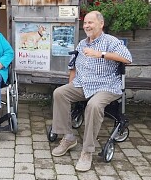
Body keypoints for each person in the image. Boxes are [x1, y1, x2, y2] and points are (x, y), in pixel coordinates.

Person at [51, 10, 132, 171]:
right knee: (59, 93)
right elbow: (73, 66)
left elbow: (128, 58)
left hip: (107, 85)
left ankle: (87, 151)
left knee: (94, 105)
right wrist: (70, 86)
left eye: (90, 22)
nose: (87, 25)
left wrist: (100, 54)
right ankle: (68, 137)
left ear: (101, 24)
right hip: (83, 84)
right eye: (85, 23)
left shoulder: (111, 41)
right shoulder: (82, 44)